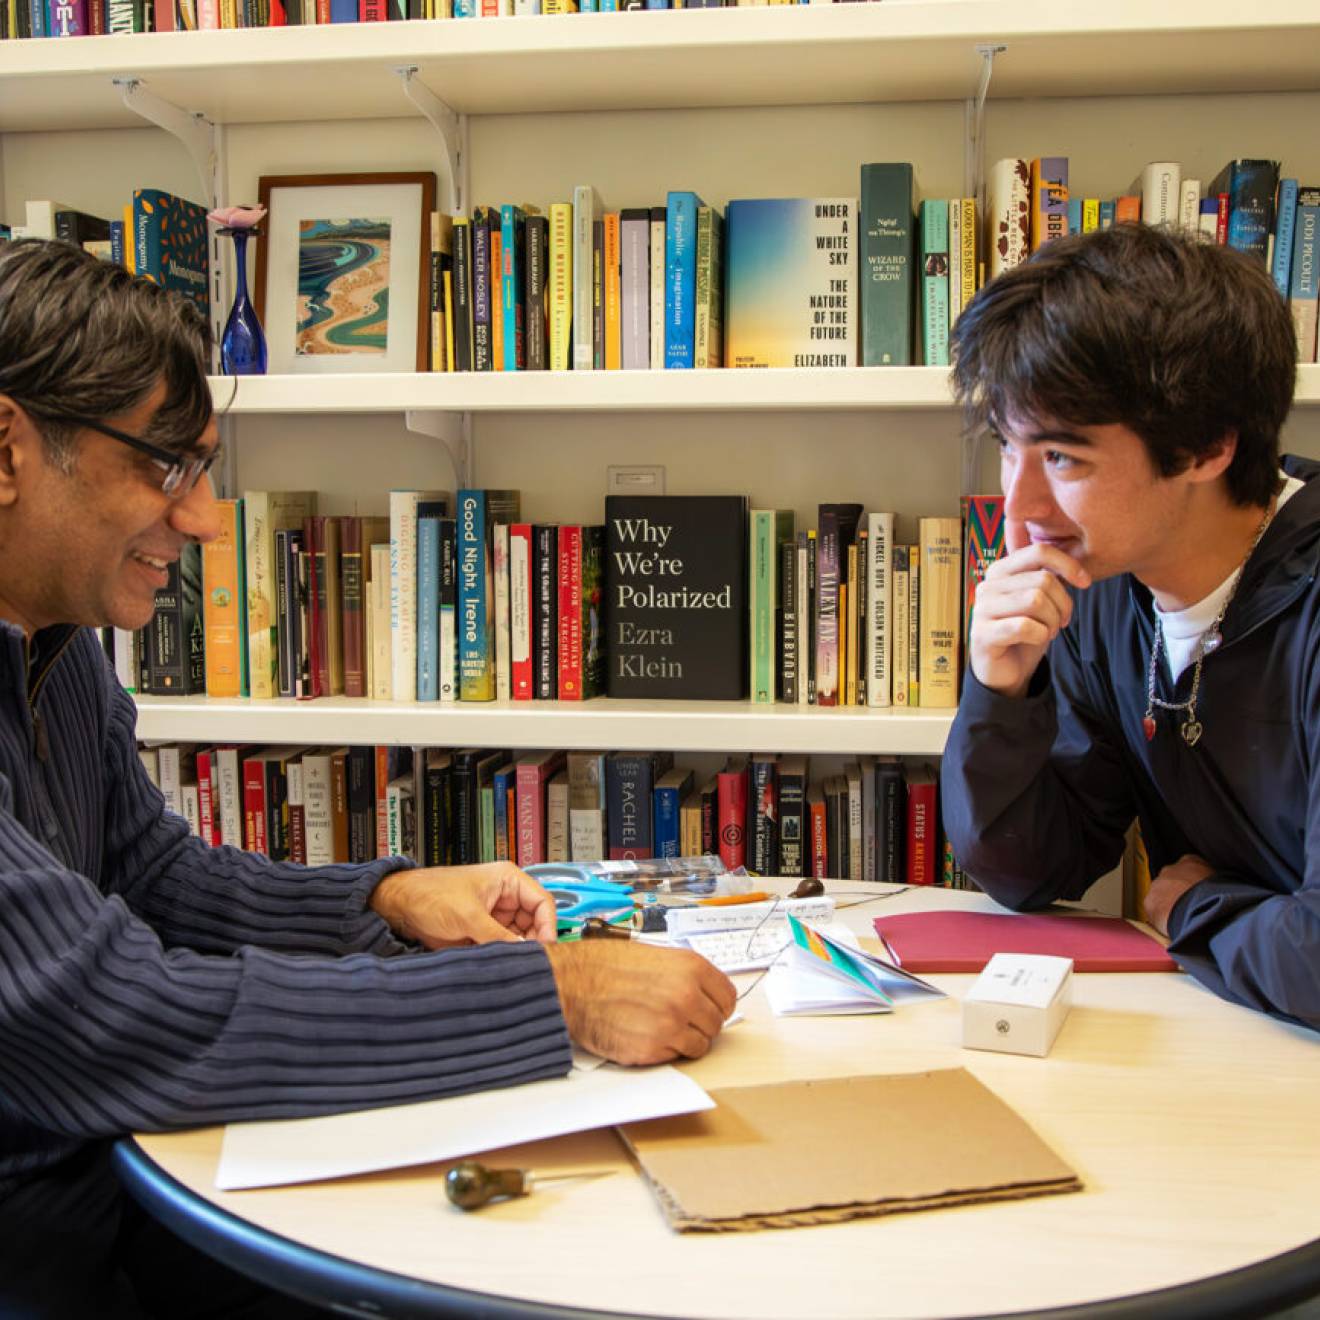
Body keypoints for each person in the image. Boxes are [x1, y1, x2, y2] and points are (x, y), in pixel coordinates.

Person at [0, 238, 736, 1317]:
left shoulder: (52, 642)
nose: (204, 519)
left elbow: (151, 877)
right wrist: (549, 994)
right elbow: (106, 1016)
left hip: (110, 1188)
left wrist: (384, 898)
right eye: (164, 465)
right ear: (9, 447)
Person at [940, 221, 1320, 1035]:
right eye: (1009, 446)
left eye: (1065, 459)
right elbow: (1037, 870)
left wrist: (1197, 906)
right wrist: (1001, 691)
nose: (1019, 510)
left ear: (1208, 445)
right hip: (1241, 1037)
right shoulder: (1105, 586)